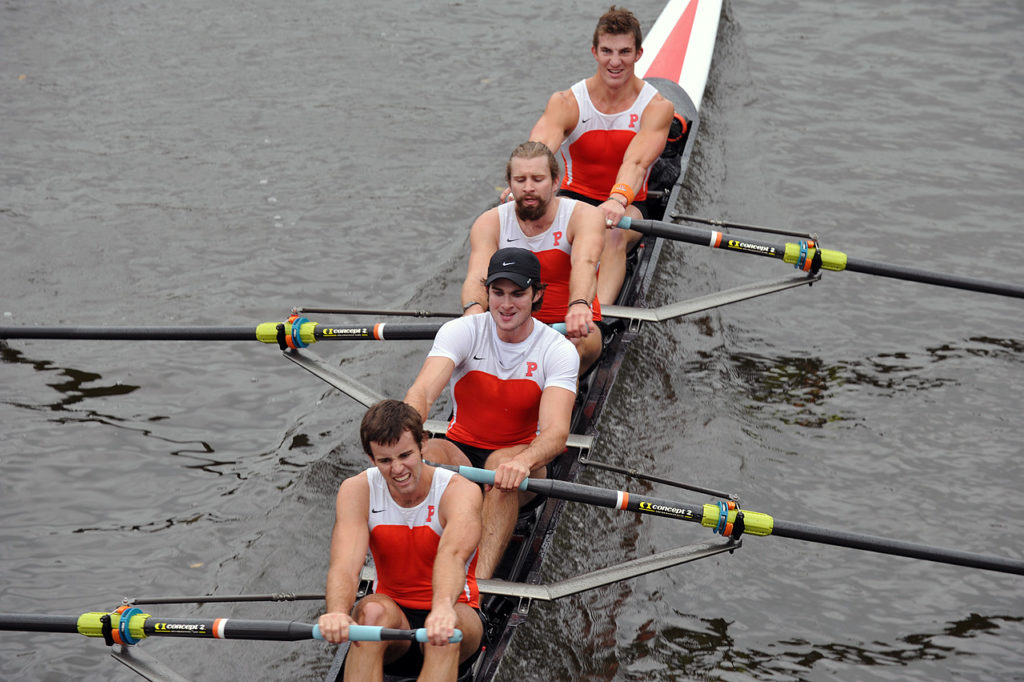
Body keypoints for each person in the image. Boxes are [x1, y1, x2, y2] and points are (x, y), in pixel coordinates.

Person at [404, 248, 579, 579]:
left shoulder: (557, 350)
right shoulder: (463, 331)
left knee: (501, 469)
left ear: (537, 294)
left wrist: (523, 462)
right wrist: (405, 434)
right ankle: (412, 564)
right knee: (419, 455)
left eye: (518, 294)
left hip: (520, 460)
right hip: (461, 449)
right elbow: (423, 392)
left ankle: (476, 588)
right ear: (486, 293)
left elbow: (556, 433)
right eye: (497, 293)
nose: (506, 304)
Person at [318, 400, 484, 681]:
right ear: (371, 459)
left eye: (405, 455)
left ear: (423, 444)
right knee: (369, 613)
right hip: (393, 619)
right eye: (385, 460)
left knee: (443, 634)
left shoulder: (458, 491)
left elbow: (453, 555)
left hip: (454, 609)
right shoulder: (357, 490)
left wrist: (442, 608)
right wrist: (336, 612)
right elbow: (345, 567)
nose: (397, 469)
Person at [526, 5, 675, 306]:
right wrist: (523, 183)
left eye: (624, 52)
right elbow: (537, 153)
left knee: (613, 238)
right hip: (574, 195)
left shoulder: (657, 107)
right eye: (607, 51)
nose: (615, 61)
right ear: (594, 52)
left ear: (639, 54)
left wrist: (618, 199)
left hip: (630, 204)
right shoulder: (567, 102)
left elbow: (636, 162)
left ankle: (599, 320)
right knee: (542, 227)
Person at [462, 141, 606, 374]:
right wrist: (473, 310)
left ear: (555, 181)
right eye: (520, 180)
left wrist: (579, 304)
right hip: (512, 324)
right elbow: (478, 277)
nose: (528, 187)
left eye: (538, 180)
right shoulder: (489, 223)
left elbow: (585, 263)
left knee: (567, 349)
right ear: (509, 184)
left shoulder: (583, 216)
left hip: (569, 326)